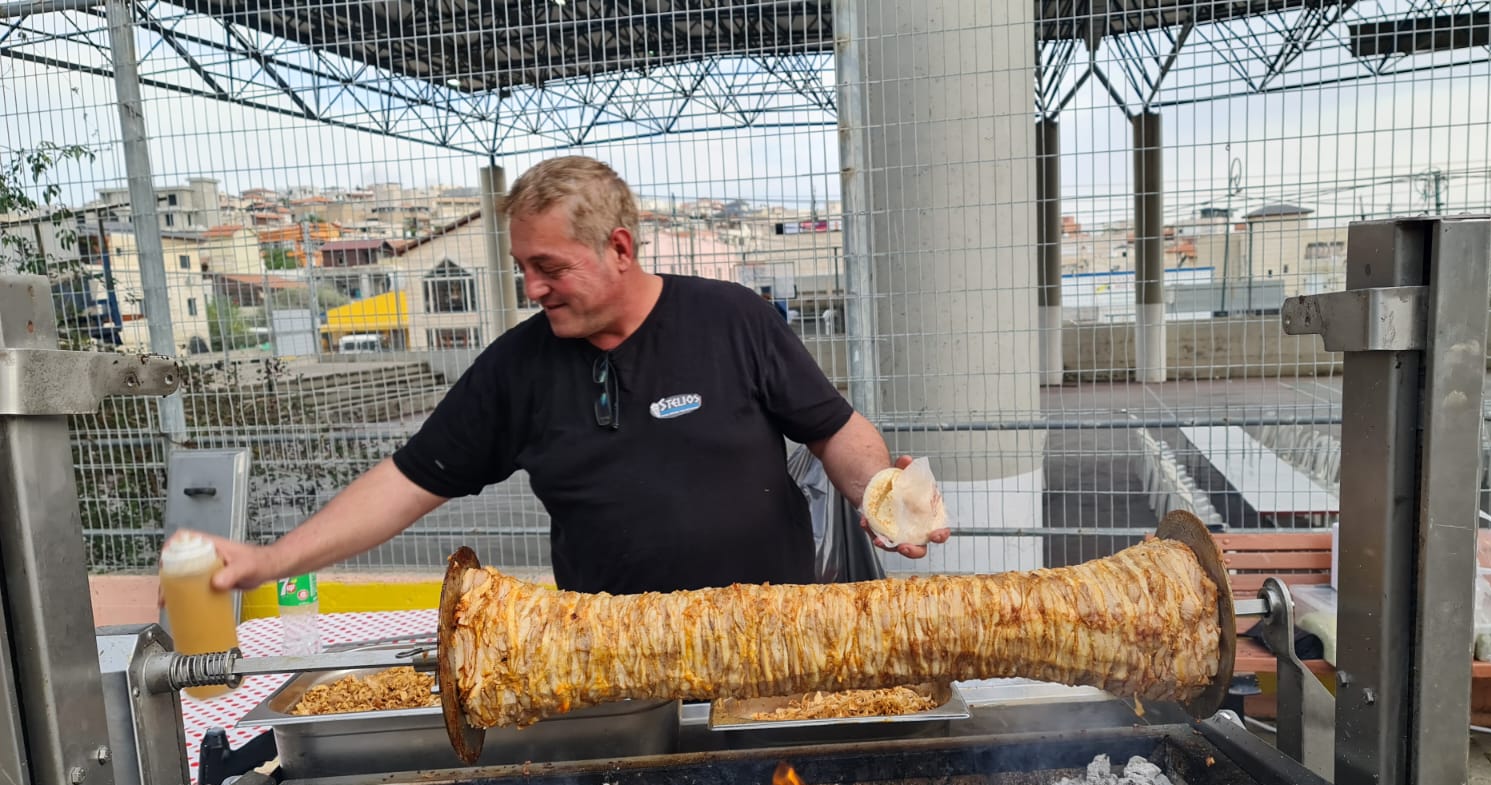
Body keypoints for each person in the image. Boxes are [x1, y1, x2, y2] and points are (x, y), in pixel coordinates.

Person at [184, 156, 948, 595]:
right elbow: (406, 481)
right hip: (610, 668)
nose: (533, 289)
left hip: (772, 643)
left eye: (548, 267)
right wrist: (273, 560)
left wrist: (883, 497)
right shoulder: (518, 368)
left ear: (619, 248)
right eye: (523, 269)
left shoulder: (733, 320)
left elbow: (836, 432)